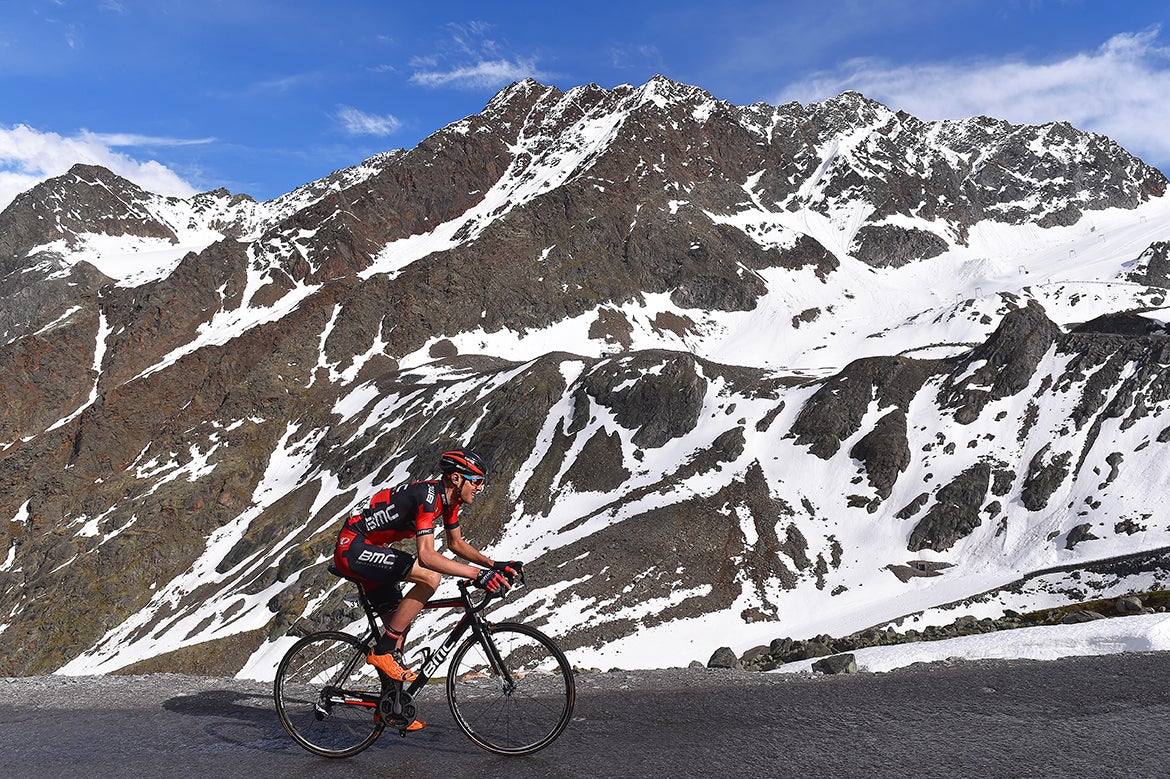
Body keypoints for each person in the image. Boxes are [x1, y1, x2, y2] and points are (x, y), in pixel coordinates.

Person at [333, 449, 523, 728]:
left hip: (372, 548)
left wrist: (494, 564)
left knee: (400, 628)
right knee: (430, 578)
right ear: (457, 479)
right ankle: (382, 653)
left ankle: (390, 707)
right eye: (477, 481)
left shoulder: (450, 502)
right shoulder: (428, 497)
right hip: (353, 547)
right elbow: (427, 556)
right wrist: (478, 575)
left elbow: (455, 545)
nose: (481, 488)